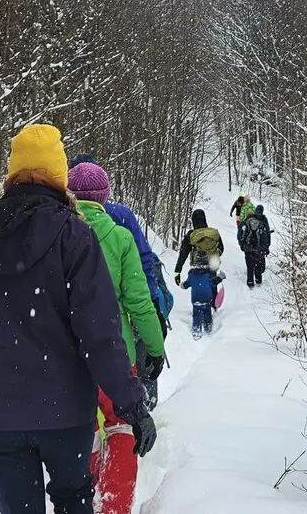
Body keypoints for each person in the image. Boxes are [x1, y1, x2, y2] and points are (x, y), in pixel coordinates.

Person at [0, 124, 156, 514]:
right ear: (59, 174)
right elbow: (100, 336)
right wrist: (131, 404)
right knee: (73, 501)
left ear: (12, 172)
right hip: (65, 413)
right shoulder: (75, 236)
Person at [68, 162, 165, 514]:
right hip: (116, 355)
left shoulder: (58, 236)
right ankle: (114, 506)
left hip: (68, 358)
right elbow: (139, 302)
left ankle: (83, 497)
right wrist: (155, 347)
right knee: (122, 423)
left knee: (84, 425)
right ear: (105, 197)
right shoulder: (121, 239)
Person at [68, 153, 173, 409]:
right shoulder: (122, 218)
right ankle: (142, 410)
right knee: (127, 394)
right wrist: (150, 305)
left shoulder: (56, 224)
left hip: (69, 343)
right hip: (117, 331)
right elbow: (145, 261)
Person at [173, 209, 224, 285]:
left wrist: (177, 271)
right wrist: (213, 255)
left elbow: (183, 254)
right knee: (211, 287)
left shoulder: (191, 235)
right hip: (212, 267)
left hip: (197, 268)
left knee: (198, 290)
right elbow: (221, 248)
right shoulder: (213, 233)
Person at [182, 251, 224, 339]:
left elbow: (187, 284)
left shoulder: (192, 273)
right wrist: (220, 277)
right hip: (207, 298)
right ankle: (208, 328)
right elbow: (213, 282)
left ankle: (196, 330)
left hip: (195, 298)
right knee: (207, 313)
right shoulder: (209, 273)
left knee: (196, 315)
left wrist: (183, 285)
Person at [239, 205, 272, 288]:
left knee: (249, 266)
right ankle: (258, 281)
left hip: (248, 248)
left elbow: (240, 231)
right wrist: (267, 247)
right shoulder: (264, 220)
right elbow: (267, 234)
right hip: (259, 248)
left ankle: (250, 282)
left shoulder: (249, 219)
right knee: (258, 265)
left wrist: (242, 244)